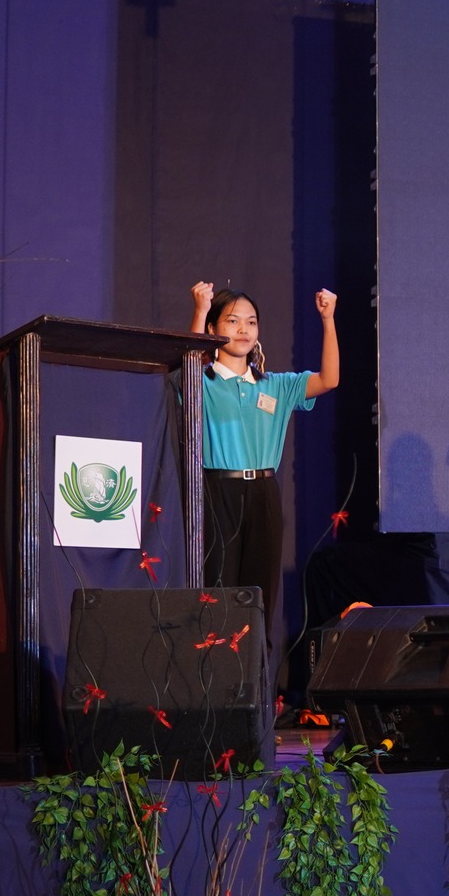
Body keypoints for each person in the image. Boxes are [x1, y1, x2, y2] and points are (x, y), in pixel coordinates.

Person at [186, 282, 339, 667]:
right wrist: (200, 311)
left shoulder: (277, 385)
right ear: (213, 330)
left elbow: (329, 379)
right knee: (216, 589)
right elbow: (186, 362)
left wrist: (328, 319)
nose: (243, 330)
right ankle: (214, 690)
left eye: (250, 322)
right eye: (232, 321)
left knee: (259, 594)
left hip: (264, 493)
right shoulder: (200, 380)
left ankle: (255, 694)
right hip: (217, 490)